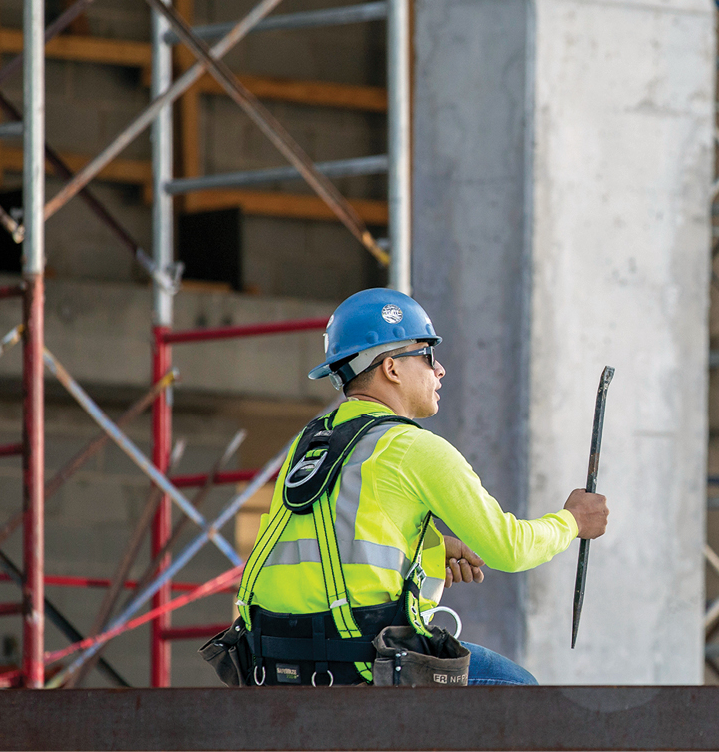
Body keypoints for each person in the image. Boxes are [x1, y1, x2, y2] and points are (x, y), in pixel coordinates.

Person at [231, 288, 608, 686]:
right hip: (364, 664)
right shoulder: (412, 446)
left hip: (278, 667)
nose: (440, 369)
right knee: (522, 694)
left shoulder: (310, 444)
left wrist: (428, 550)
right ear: (391, 368)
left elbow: (332, 546)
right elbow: (509, 548)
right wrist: (572, 522)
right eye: (427, 355)